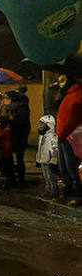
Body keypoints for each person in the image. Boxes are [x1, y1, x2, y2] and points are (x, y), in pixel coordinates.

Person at [56, 70, 82, 205]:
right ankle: (69, 193)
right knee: (65, 167)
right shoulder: (68, 95)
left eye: (62, 80)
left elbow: (70, 118)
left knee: (71, 167)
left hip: (71, 136)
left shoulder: (75, 95)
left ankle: (76, 194)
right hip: (64, 135)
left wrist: (63, 133)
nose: (60, 84)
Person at [36, 113, 61, 201]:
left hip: (49, 160)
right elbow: (40, 148)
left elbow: (55, 148)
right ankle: (48, 190)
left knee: (51, 177)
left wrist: (54, 159)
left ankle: (53, 192)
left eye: (42, 124)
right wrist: (38, 159)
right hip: (43, 159)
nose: (40, 127)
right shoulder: (42, 136)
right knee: (46, 177)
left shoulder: (52, 136)